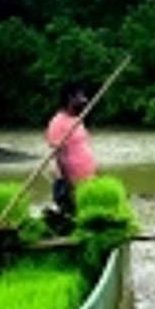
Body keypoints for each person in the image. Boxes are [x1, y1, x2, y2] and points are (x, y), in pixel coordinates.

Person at [46, 81, 97, 216]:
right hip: (68, 183)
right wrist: (70, 185)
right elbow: (59, 156)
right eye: (80, 97)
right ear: (70, 98)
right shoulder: (57, 122)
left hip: (86, 179)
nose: (84, 101)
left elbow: (83, 147)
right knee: (72, 216)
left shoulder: (77, 120)